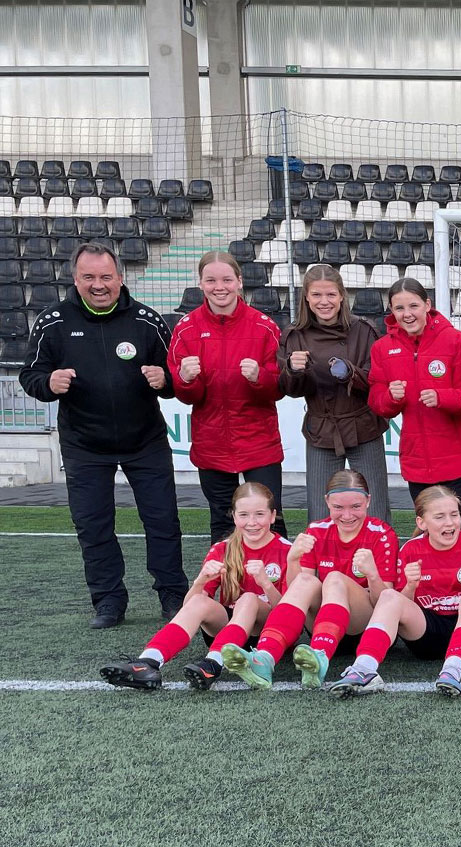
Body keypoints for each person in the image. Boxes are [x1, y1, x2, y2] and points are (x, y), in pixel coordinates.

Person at [20, 241, 187, 628]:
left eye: (106, 277)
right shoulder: (52, 321)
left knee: (163, 521)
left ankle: (173, 596)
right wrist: (49, 382)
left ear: (120, 278)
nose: (99, 285)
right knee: (93, 525)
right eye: (89, 277)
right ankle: (109, 602)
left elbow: (174, 377)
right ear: (75, 279)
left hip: (145, 440)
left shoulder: (147, 320)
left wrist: (165, 381)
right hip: (84, 445)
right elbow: (30, 376)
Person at [325, 485, 461, 697]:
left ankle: (453, 670)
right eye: (440, 517)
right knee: (390, 596)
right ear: (421, 522)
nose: (449, 522)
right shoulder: (411, 550)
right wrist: (410, 587)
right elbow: (399, 610)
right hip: (428, 636)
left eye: (454, 515)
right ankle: (363, 668)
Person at [99, 483, 293, 691]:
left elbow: (290, 615)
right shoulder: (222, 549)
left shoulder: (287, 551)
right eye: (244, 515)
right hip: (226, 631)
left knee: (248, 599)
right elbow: (189, 608)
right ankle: (147, 662)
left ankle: (212, 664)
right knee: (201, 599)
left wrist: (265, 583)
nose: (252, 522)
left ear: (273, 516)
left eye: (260, 514)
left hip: (268, 636)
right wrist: (201, 580)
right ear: (234, 517)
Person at [221, 470, 398, 689]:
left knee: (334, 579)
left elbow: (387, 601)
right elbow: (298, 593)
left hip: (360, 627)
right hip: (322, 624)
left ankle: (320, 655)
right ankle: (265, 658)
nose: (347, 515)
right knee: (306, 581)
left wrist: (372, 574)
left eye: (356, 507)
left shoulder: (381, 534)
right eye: (338, 508)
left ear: (368, 501)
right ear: (326, 502)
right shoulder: (317, 530)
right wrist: (293, 559)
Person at [167, 251, 285, 542]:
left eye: (226, 280)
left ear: (239, 282)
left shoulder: (264, 326)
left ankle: (280, 586)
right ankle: (230, 587)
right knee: (222, 524)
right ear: (201, 283)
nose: (219, 287)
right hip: (212, 445)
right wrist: (186, 379)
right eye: (211, 280)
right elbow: (187, 396)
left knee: (270, 520)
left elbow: (280, 388)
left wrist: (261, 378)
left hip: (259, 443)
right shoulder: (186, 329)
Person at [367, 278, 461, 523]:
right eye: (399, 308)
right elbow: (376, 401)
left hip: (459, 459)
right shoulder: (381, 348)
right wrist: (390, 397)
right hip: (417, 460)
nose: (407, 314)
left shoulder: (457, 341)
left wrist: (442, 397)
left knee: (458, 527)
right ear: (391, 310)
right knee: (427, 528)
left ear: (427, 305)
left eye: (413, 306)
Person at [278, 264, 389, 524]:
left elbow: (377, 380)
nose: (324, 301)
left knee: (375, 508)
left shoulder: (364, 330)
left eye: (330, 294)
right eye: (317, 295)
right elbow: (289, 390)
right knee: (320, 511)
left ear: (342, 296)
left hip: (364, 426)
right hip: (321, 430)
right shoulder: (294, 335)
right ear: (306, 297)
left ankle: (380, 563)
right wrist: (293, 372)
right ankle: (321, 565)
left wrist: (351, 373)